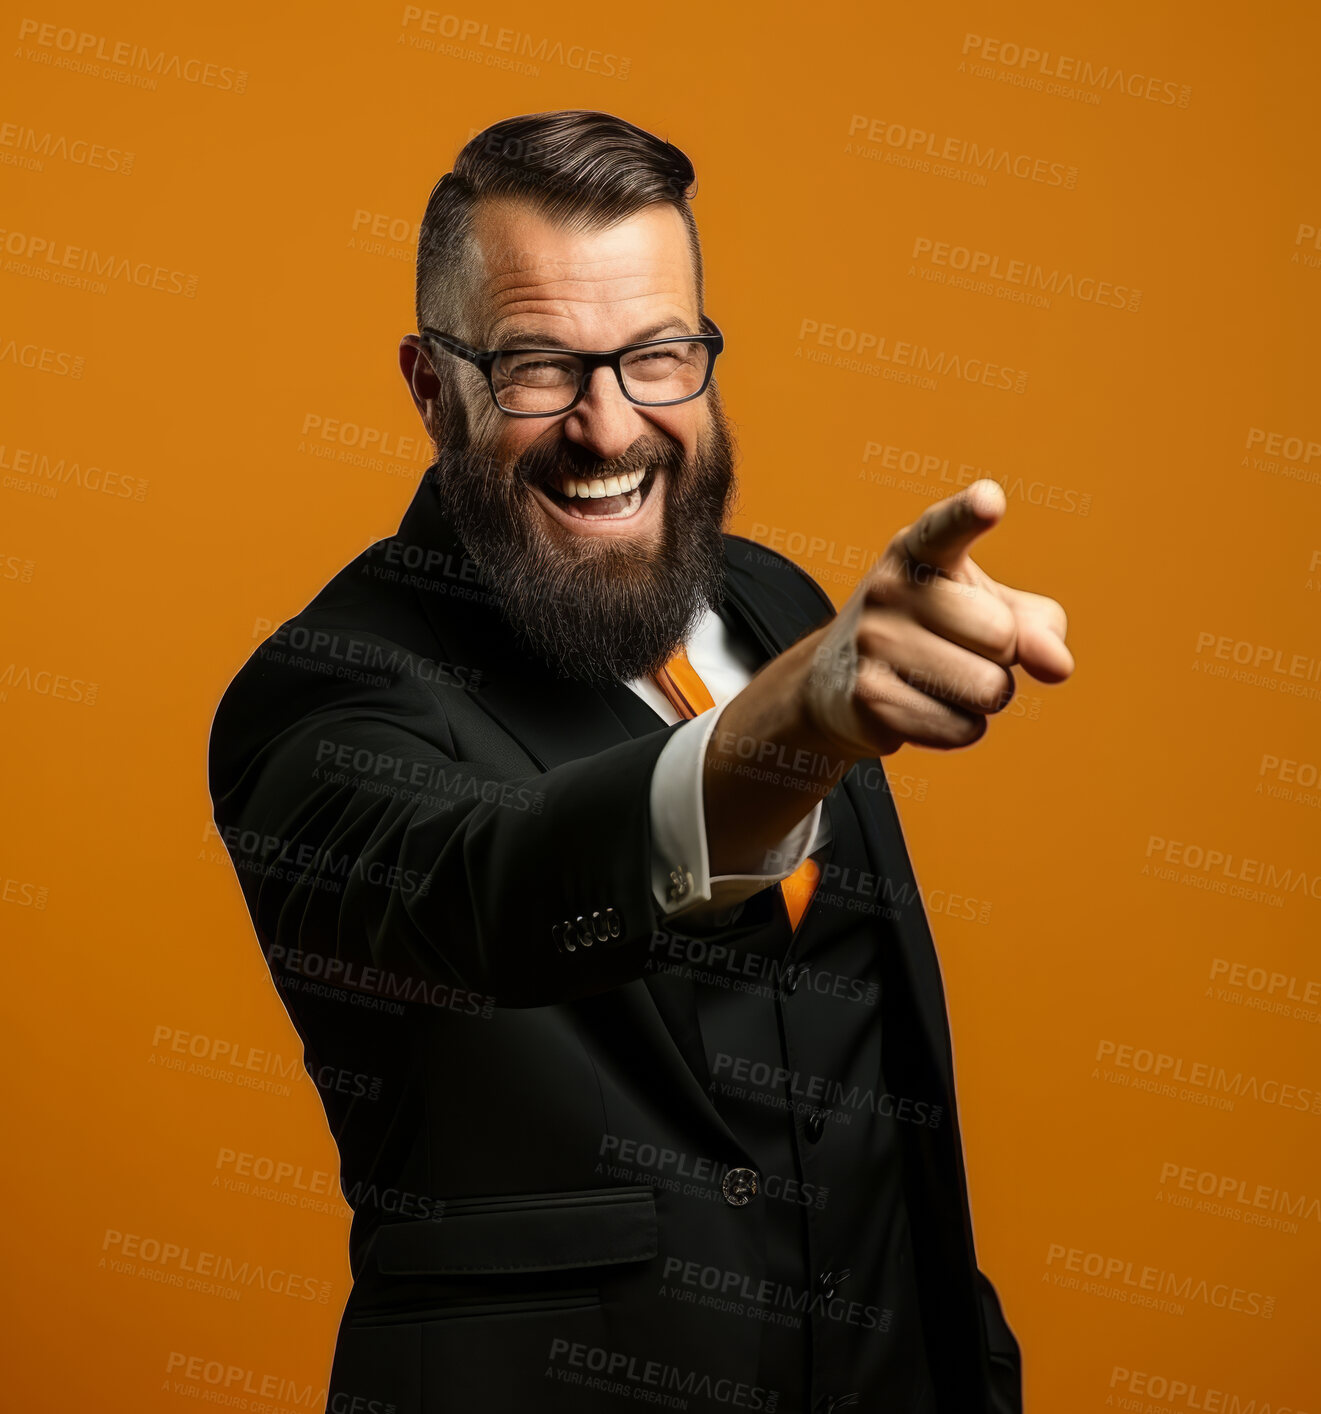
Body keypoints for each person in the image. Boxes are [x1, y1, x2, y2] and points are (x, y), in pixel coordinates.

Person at [208, 107, 1074, 1414]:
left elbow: (869, 1094)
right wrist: (798, 727)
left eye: (658, 356)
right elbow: (477, 889)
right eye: (540, 368)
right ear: (430, 383)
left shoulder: (777, 603)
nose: (610, 428)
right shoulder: (325, 686)